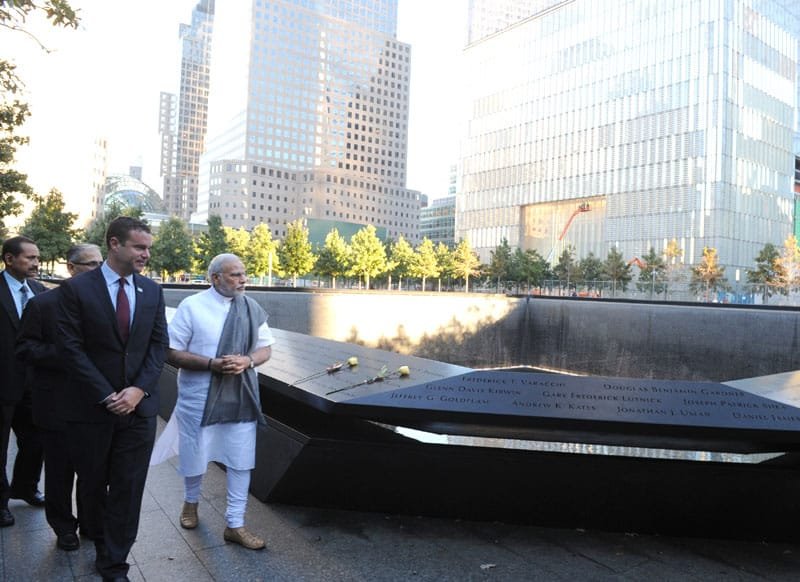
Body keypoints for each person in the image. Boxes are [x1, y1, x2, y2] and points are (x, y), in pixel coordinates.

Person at [58, 217, 167, 582]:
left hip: (139, 412)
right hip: (91, 410)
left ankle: (114, 563)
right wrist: (107, 394)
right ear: (114, 244)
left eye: (148, 247)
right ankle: (98, 536)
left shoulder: (152, 291)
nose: (146, 254)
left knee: (128, 488)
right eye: (139, 247)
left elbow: (158, 346)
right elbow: (70, 349)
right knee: (92, 484)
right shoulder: (76, 290)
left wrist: (138, 390)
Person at [166, 253, 273, 550]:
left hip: (240, 394)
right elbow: (172, 352)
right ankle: (190, 502)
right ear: (215, 278)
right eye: (235, 275)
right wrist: (212, 364)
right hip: (198, 395)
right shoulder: (192, 306)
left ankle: (235, 524)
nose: (243, 280)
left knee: (241, 460)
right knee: (194, 453)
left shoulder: (251, 307)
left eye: (244, 274)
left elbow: (266, 349)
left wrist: (247, 361)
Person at [15, 243, 103, 550]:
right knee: (59, 472)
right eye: (91, 264)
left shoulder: (105, 304)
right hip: (55, 405)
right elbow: (25, 349)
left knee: (93, 472)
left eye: (100, 263)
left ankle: (92, 523)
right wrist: (66, 355)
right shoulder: (42, 304)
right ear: (71, 268)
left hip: (96, 405)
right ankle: (64, 527)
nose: (98, 269)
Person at [0, 236, 46, 528]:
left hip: (35, 385)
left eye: (37, 258)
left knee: (37, 441)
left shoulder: (40, 292)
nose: (36, 263)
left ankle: (25, 487)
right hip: (2, 383)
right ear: (9, 259)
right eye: (29, 258)